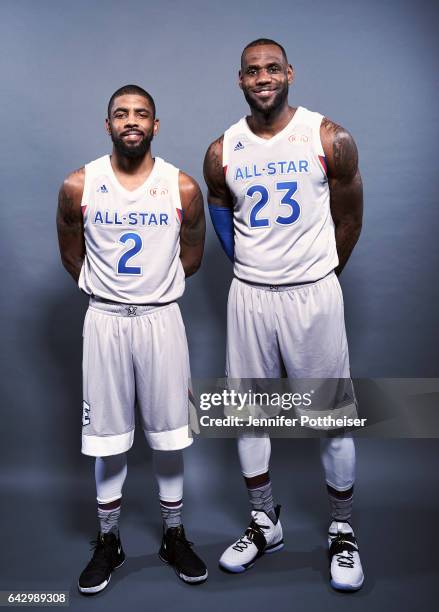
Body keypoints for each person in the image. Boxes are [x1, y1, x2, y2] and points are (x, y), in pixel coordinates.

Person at [203, 39, 364, 591]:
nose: (263, 77)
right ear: (240, 80)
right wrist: (252, 264)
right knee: (249, 416)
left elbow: (349, 216)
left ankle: (342, 531)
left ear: (290, 72)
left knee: (332, 418)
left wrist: (319, 276)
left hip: (312, 294)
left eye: (273, 68)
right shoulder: (222, 148)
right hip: (250, 294)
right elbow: (220, 208)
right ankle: (265, 521)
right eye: (252, 71)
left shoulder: (328, 136)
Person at [57, 84, 207, 593]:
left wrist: (152, 292)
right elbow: (71, 253)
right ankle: (108, 539)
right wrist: (110, 292)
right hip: (104, 322)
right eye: (121, 114)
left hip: (161, 320)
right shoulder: (80, 184)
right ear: (108, 125)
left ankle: (174, 533)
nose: (131, 121)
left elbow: (193, 255)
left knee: (170, 432)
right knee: (108, 437)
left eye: (141, 113)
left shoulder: (182, 187)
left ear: (156, 125)